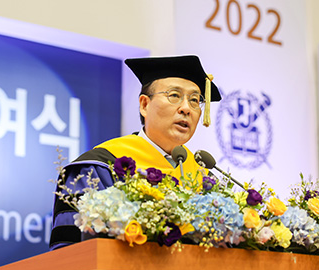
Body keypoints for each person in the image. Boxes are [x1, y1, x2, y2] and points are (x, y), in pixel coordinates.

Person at [50, 55, 221, 249]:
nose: (186, 108)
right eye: (174, 95)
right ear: (144, 105)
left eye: (194, 100)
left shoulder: (205, 178)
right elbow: (70, 252)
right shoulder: (98, 168)